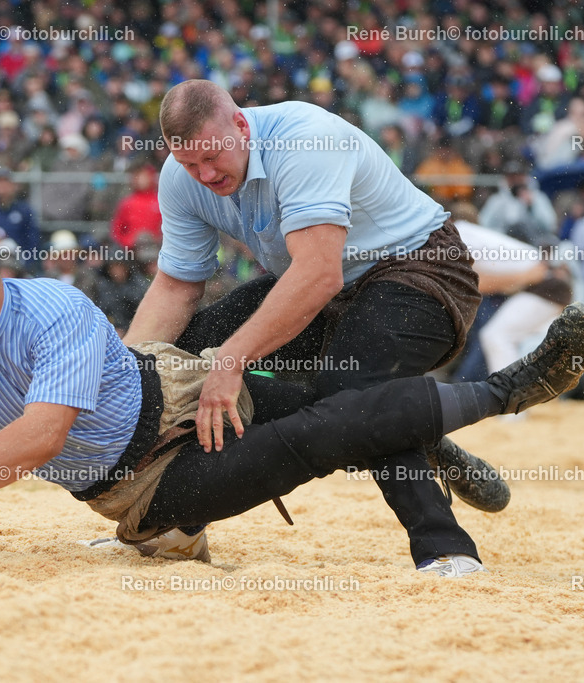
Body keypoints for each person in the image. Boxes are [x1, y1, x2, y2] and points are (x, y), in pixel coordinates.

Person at [0, 209, 584, 578]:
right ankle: (503, 393)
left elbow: (44, 434)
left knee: (329, 388)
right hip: (150, 488)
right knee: (327, 431)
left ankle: (477, 409)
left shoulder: (52, 306)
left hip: (176, 387)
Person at [122, 79, 492, 571]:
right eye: (190, 164)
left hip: (421, 271)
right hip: (325, 287)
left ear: (240, 123)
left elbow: (319, 273)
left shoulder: (303, 138)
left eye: (213, 157)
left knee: (352, 389)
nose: (205, 174)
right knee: (179, 363)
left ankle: (446, 548)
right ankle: (176, 529)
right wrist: (126, 373)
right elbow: (175, 287)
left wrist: (231, 361)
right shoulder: (179, 176)